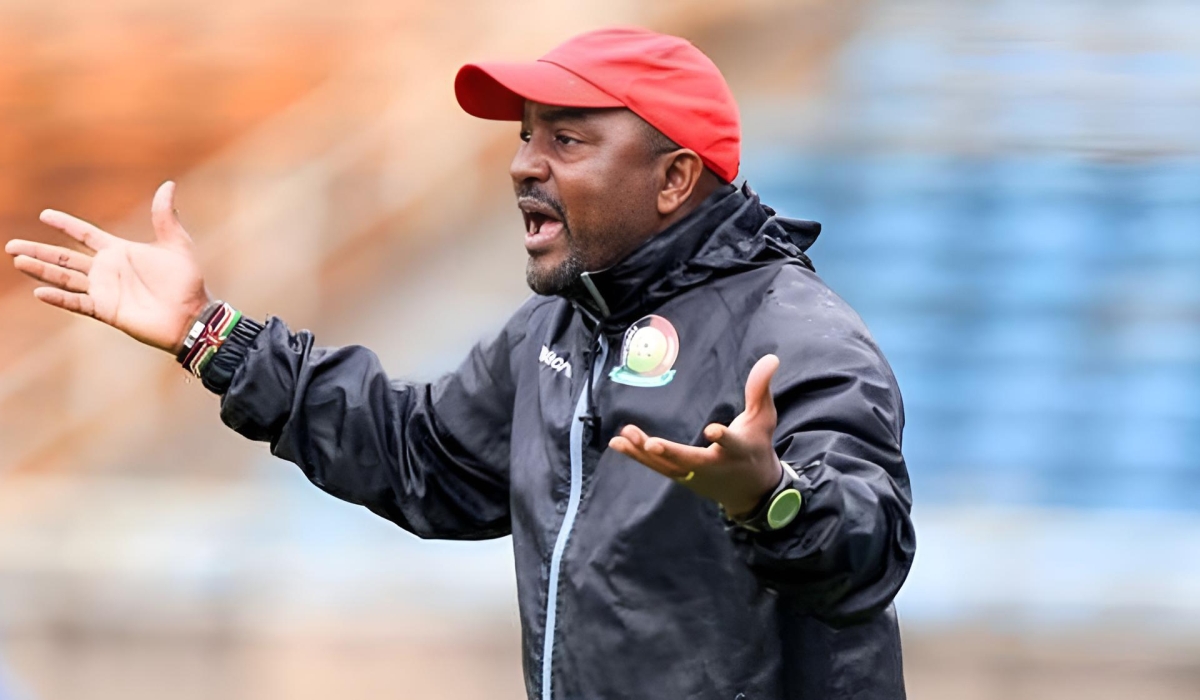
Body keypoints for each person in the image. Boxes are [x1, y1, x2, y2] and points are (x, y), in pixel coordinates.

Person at [5, 27, 915, 700]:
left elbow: (868, 554)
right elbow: (422, 458)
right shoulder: (555, 330)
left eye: (566, 140)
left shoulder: (796, 334)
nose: (524, 165)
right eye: (525, 136)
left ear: (674, 178)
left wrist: (771, 499)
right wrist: (210, 334)